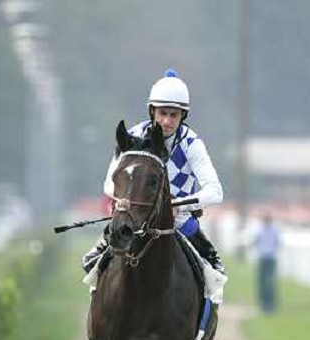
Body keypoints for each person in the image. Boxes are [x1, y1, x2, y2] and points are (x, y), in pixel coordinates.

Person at [82, 69, 225, 274]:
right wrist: (119, 198)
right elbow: (109, 183)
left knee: (215, 275)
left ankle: (210, 300)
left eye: (174, 115)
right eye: (162, 114)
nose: (167, 121)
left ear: (183, 115)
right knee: (91, 264)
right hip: (135, 214)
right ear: (152, 112)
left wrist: (175, 204)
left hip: (177, 218)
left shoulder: (192, 143)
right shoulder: (132, 137)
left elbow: (215, 192)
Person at [253, 212, 280, 313]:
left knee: (269, 282)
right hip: (265, 257)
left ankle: (269, 304)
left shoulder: (272, 229)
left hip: (269, 258)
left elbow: (255, 242)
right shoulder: (262, 229)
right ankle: (264, 304)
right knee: (264, 282)